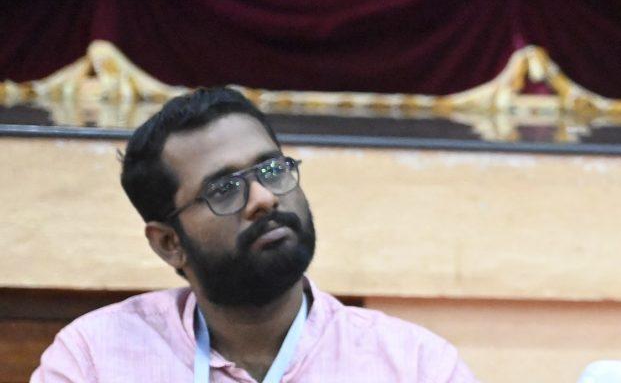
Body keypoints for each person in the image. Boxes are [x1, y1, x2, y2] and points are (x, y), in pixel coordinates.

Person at [32, 86, 477, 382]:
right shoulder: (94, 359)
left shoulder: (413, 365)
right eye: (224, 189)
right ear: (169, 243)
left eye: (271, 169)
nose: (263, 198)